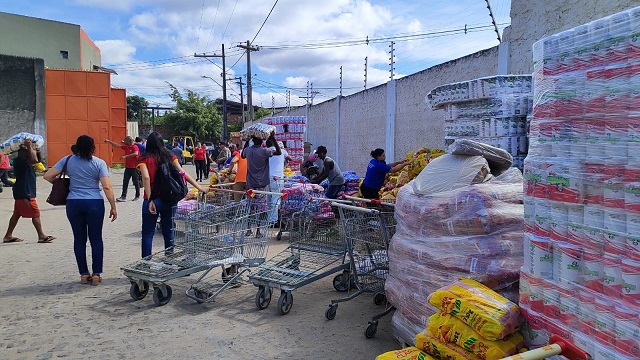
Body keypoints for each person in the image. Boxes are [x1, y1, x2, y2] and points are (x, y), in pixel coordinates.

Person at [44, 135, 117, 285]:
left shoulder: (68, 160)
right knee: (96, 238)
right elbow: (107, 187)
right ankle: (96, 274)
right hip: (94, 203)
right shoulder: (99, 163)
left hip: (74, 202)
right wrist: (113, 206)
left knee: (79, 239)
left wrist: (64, 183)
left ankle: (84, 274)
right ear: (93, 148)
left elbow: (47, 175)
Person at [137, 132, 209, 258]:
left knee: (148, 233)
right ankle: (169, 258)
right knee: (168, 230)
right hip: (169, 198)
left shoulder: (144, 158)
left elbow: (146, 177)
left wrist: (150, 200)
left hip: (152, 200)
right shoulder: (170, 156)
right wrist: (199, 187)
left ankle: (146, 263)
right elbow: (182, 172)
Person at [3, 139, 56, 244]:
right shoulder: (21, 161)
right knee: (35, 213)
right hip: (25, 193)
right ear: (21, 152)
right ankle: (41, 236)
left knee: (16, 214)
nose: (28, 152)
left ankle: (8, 236)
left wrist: (36, 149)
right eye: (25, 150)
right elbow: (34, 160)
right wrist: (29, 146)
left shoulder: (24, 160)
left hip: (21, 192)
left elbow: (38, 160)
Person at [104, 136, 140, 201]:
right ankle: (123, 196)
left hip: (134, 168)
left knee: (135, 182)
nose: (124, 142)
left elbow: (135, 153)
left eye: (125, 141)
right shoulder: (126, 147)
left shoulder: (134, 147)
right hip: (128, 168)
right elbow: (117, 146)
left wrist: (125, 156)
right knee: (125, 182)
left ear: (129, 141)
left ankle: (137, 195)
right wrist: (109, 142)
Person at [266, 139, 292, 224]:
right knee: (276, 199)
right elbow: (290, 159)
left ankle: (269, 219)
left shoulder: (266, 152)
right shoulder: (283, 151)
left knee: (269, 199)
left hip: (267, 177)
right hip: (277, 178)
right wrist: (284, 161)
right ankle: (273, 221)